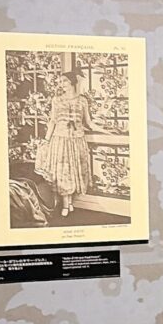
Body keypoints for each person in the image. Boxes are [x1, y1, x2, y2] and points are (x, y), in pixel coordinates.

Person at [35, 68, 99, 218]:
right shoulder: (56, 100)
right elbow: (52, 121)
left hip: (77, 140)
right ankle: (66, 204)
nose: (61, 84)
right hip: (60, 139)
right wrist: (46, 140)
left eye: (64, 81)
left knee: (73, 171)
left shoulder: (82, 100)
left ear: (72, 82)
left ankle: (70, 203)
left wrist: (107, 130)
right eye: (60, 81)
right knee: (63, 171)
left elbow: (89, 122)